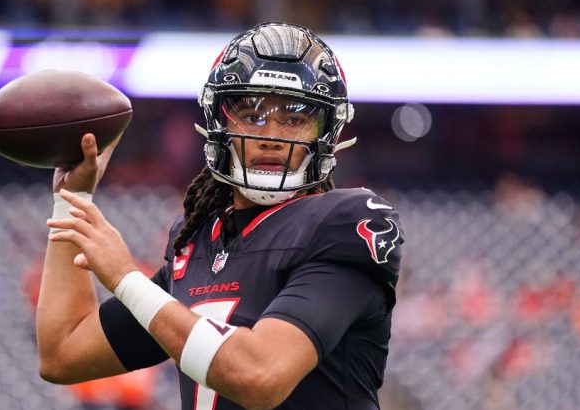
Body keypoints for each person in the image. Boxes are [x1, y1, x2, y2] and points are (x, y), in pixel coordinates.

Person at [39, 22, 404, 410]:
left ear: (327, 132)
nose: (271, 134)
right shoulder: (199, 239)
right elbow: (63, 352)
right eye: (252, 114)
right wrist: (72, 198)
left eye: (295, 119)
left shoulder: (346, 222)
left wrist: (127, 279)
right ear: (219, 123)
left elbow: (259, 376)